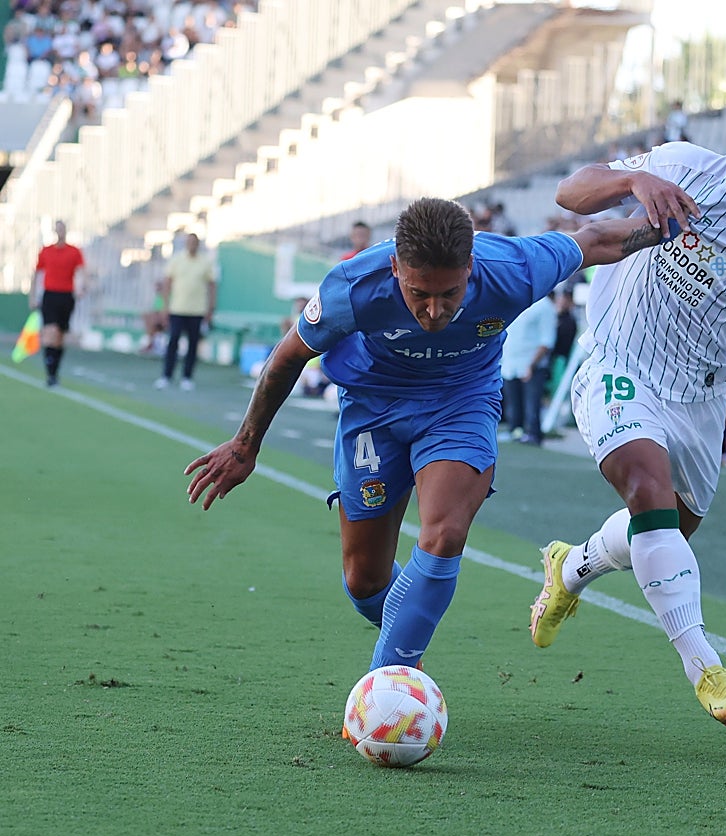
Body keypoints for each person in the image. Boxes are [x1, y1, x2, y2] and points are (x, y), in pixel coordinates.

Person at [184, 198, 668, 683]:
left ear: (470, 266)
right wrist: (245, 445)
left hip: (460, 402)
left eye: (450, 293)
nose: (434, 311)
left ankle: (389, 685)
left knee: (444, 533)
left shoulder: (514, 268)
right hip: (373, 406)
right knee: (365, 581)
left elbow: (594, 239)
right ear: (395, 267)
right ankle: (407, 646)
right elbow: (288, 356)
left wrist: (682, 223)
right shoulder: (354, 286)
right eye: (418, 293)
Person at [528, 85, 726, 726]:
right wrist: (635, 180)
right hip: (618, 361)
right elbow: (570, 193)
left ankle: (571, 568)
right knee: (648, 494)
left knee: (664, 529)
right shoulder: (681, 165)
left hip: (699, 397)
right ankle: (705, 667)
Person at [156, 233, 216, 391]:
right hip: (177, 308)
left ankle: (187, 377)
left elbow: (212, 285)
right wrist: (165, 306)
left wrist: (210, 308)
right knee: (173, 341)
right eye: (189, 242)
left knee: (193, 344)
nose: (191, 245)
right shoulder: (176, 260)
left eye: (194, 242)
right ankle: (166, 375)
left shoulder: (205, 262)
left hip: (197, 310)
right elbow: (167, 283)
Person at [28, 219, 85, 387]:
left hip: (66, 296)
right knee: (50, 332)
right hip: (50, 295)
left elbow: (81, 271)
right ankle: (50, 373)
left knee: (59, 335)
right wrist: (32, 296)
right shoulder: (46, 251)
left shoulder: (74, 252)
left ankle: (55, 371)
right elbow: (36, 274)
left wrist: (80, 288)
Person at [500, 290, 557, 445]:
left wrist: (532, 365)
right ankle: (515, 431)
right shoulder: (515, 300)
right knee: (512, 404)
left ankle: (533, 434)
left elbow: (547, 341)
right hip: (510, 364)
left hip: (531, 365)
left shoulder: (544, 306)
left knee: (532, 405)